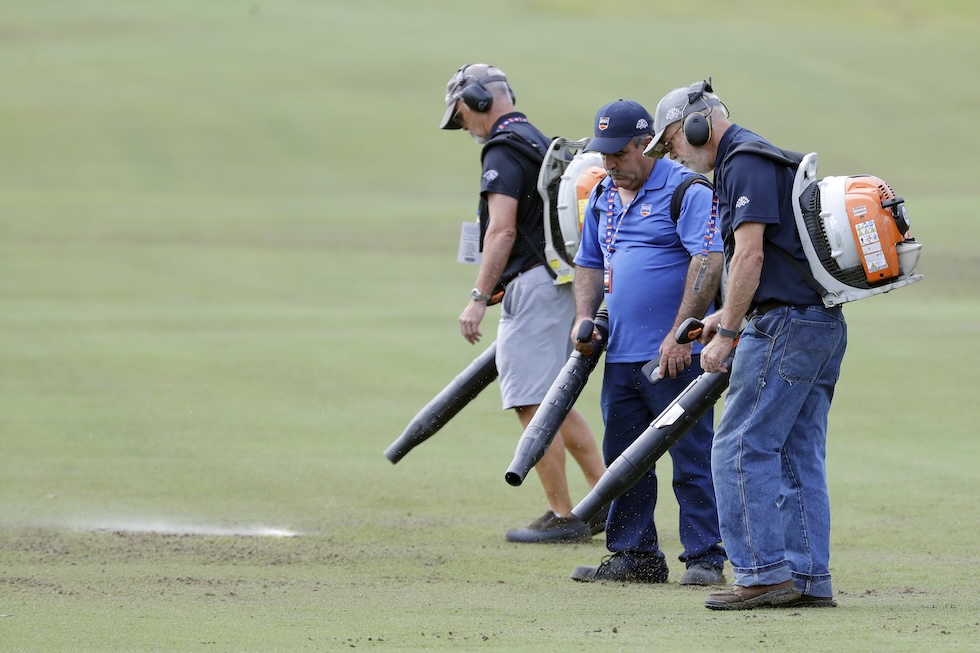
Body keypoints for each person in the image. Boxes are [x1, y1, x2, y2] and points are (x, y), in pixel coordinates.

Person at [646, 80, 847, 609]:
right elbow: (769, 261)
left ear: (696, 124)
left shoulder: (743, 160)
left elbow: (751, 256)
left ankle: (761, 574)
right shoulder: (757, 159)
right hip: (816, 323)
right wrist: (723, 315)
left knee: (738, 447)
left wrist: (731, 331)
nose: (674, 155)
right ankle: (805, 577)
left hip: (783, 327)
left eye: (670, 142)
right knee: (796, 451)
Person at [439, 63, 607, 543]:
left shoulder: (502, 149)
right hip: (555, 282)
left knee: (531, 403)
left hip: (533, 288)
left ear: (476, 101)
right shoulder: (532, 138)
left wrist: (476, 296)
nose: (465, 128)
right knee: (554, 401)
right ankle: (604, 500)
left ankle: (563, 515)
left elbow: (503, 228)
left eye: (461, 116)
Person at [569, 99, 727, 585]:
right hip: (619, 355)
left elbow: (708, 260)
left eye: (618, 153)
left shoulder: (686, 189)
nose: (609, 163)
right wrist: (583, 319)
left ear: (645, 145)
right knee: (623, 459)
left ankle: (704, 558)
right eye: (603, 155)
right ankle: (634, 556)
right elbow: (589, 262)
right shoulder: (603, 194)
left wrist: (680, 335)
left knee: (691, 457)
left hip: (678, 355)